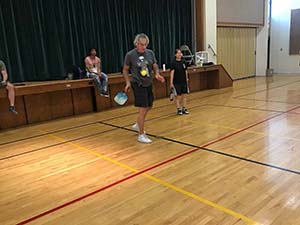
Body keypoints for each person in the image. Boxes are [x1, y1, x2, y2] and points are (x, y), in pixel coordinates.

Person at [123, 33, 165, 143]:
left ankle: (138, 124)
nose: (144, 47)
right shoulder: (130, 55)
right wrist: (128, 82)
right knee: (142, 109)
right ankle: (141, 135)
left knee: (150, 105)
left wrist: (156, 74)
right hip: (138, 84)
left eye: (145, 44)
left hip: (148, 83)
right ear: (136, 43)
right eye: (141, 44)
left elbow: (154, 64)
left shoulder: (150, 53)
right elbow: (125, 69)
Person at [170, 49, 189, 115]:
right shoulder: (173, 63)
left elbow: (186, 71)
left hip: (183, 81)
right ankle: (178, 109)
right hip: (176, 82)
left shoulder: (184, 61)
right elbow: (172, 73)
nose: (179, 54)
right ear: (175, 55)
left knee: (184, 95)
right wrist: (171, 83)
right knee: (177, 96)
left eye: (180, 53)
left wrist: (187, 79)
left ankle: (184, 108)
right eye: (178, 53)